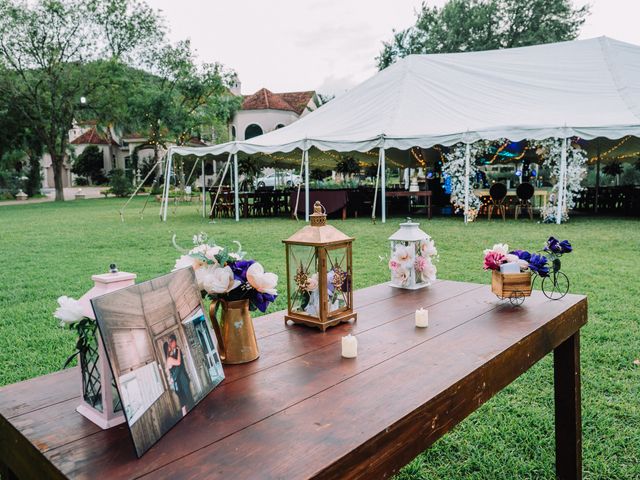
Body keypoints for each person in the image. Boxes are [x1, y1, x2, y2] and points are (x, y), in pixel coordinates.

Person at [165, 334, 194, 415]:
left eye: (172, 342)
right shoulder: (170, 356)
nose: (171, 344)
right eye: (170, 343)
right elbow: (172, 369)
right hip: (178, 382)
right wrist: (172, 378)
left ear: (174, 341)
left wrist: (172, 378)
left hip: (183, 379)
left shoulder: (177, 350)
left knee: (188, 398)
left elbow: (179, 365)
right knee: (184, 401)